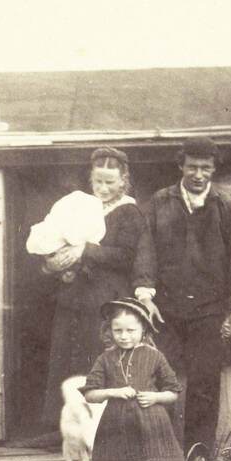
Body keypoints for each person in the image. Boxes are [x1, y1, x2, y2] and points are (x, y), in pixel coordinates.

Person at [133, 136, 231, 461]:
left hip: (209, 310)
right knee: (162, 383)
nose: (198, 174)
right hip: (166, 311)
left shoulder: (225, 206)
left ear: (213, 169)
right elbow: (146, 250)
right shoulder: (160, 202)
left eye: (205, 168)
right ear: (181, 166)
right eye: (192, 167)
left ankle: (197, 460)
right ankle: (163, 456)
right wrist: (145, 296)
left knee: (203, 384)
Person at [30, 147, 147, 426]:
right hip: (75, 297)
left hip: (105, 301)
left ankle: (100, 427)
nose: (103, 188)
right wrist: (63, 268)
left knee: (94, 361)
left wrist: (86, 251)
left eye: (110, 182)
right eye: (98, 182)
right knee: (65, 360)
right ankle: (63, 428)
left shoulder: (129, 212)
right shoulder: (82, 206)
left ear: (123, 180)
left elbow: (127, 256)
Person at [82, 298, 186, 461]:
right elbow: (90, 394)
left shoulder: (154, 356)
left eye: (131, 330)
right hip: (116, 428)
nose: (124, 336)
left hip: (151, 426)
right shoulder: (105, 359)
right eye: (117, 330)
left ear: (144, 329)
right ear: (109, 330)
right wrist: (113, 392)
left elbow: (173, 391)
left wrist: (155, 396)